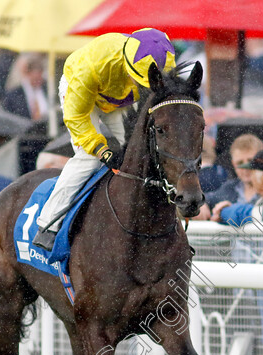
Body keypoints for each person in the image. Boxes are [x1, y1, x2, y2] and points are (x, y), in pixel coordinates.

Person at [32, 28, 177, 250]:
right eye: (138, 79)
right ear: (127, 63)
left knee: (138, 150)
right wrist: (101, 149)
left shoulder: (163, 62)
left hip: (118, 100)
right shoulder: (91, 67)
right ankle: (48, 223)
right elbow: (76, 117)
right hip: (82, 95)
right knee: (88, 158)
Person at [196, 134, 263, 221]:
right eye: (240, 163)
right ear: (233, 164)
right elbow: (206, 199)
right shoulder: (229, 188)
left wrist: (225, 213)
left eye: (250, 161)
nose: (245, 168)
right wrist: (200, 204)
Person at [2, 54, 48, 120]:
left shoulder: (47, 91)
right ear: (28, 74)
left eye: (40, 77)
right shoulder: (14, 95)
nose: (39, 80)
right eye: (35, 78)